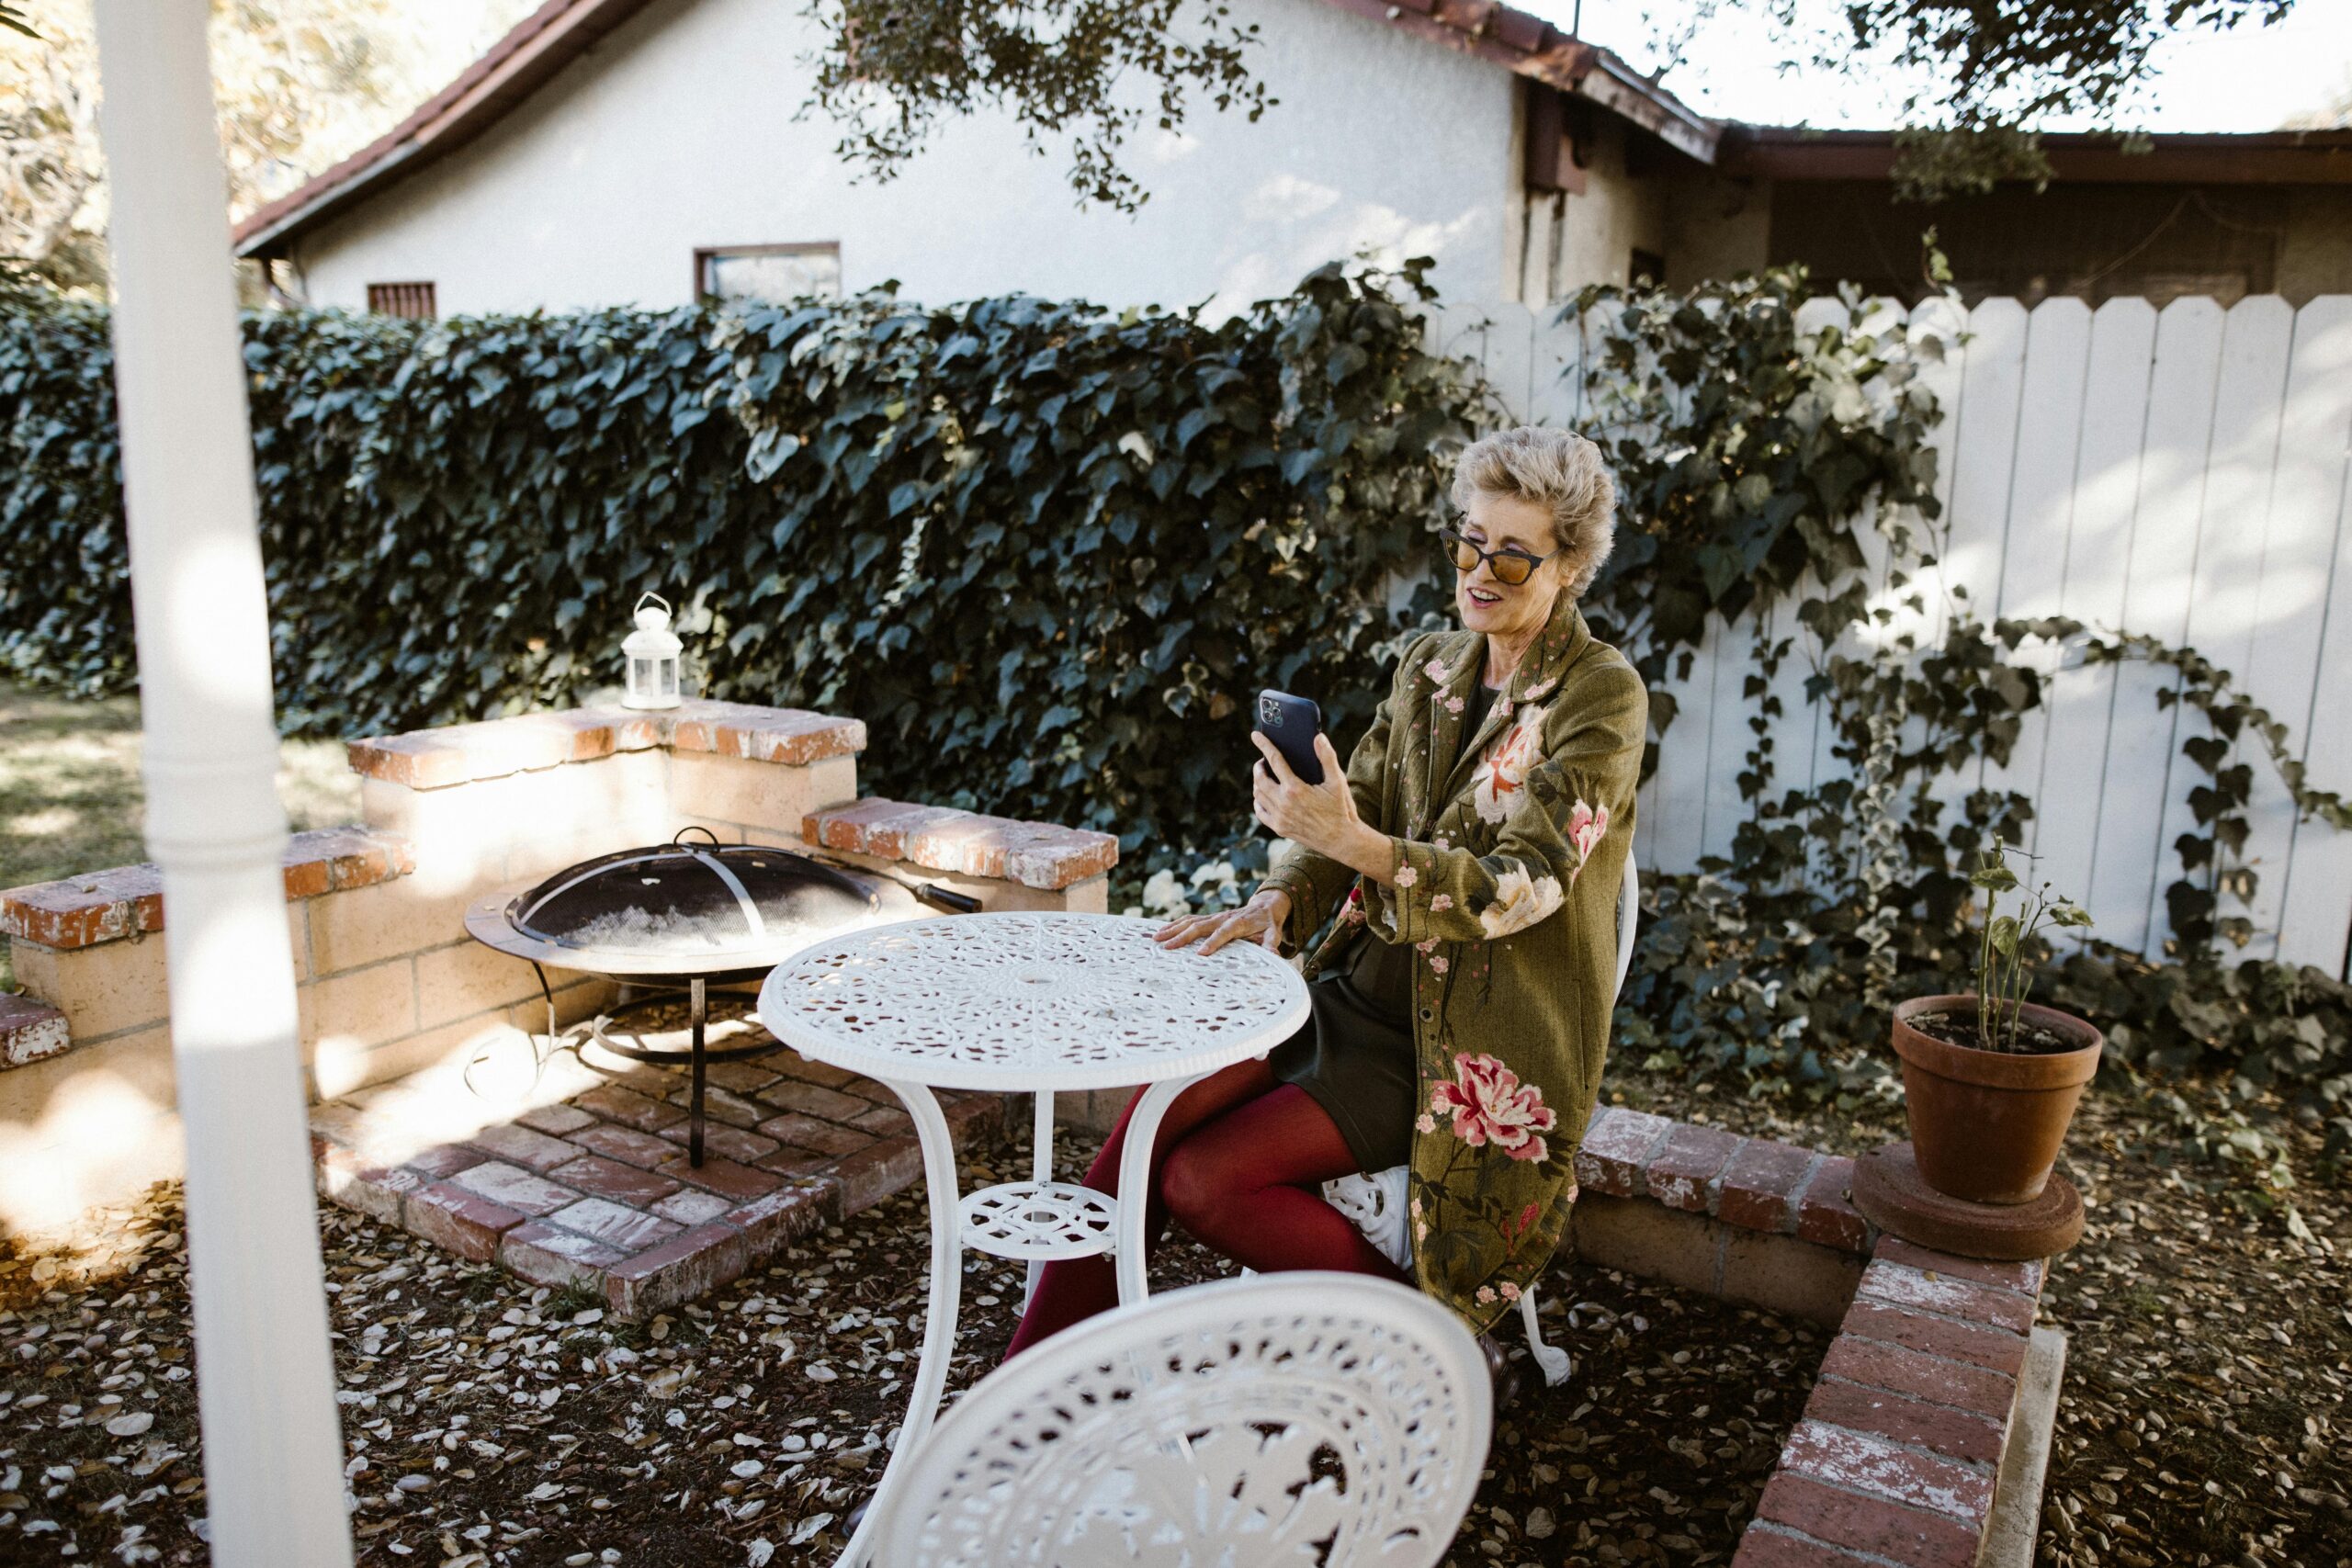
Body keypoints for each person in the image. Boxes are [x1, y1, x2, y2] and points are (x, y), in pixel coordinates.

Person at [1002, 426, 1648, 1386]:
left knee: (1200, 1179)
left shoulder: (1601, 697)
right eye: (1468, 540)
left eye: (1512, 553)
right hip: (1346, 990)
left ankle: (1430, 1354)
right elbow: (1365, 811)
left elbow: (1520, 887)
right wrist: (1279, 897)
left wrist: (1351, 843)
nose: (1480, 570)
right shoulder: (1433, 667)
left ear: (1569, 564)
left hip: (1467, 1048)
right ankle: (1033, 1379)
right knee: (1153, 1120)